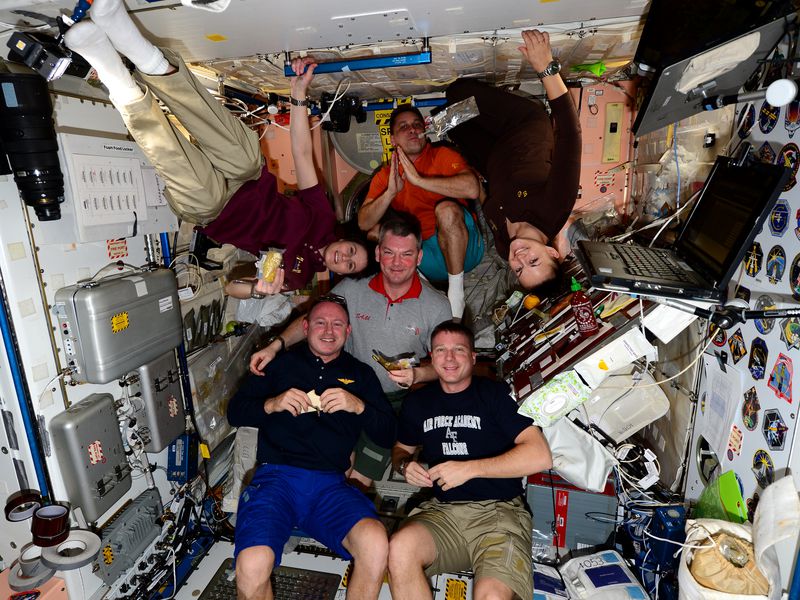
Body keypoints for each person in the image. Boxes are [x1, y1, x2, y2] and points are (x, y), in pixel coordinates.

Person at [63, 0, 368, 293]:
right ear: (349, 238)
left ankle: (110, 70)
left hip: (219, 212)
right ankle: (135, 46)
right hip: (250, 181)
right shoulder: (323, 218)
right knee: (246, 155)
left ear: (342, 274)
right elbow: (302, 154)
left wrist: (258, 288)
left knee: (182, 170)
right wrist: (299, 95)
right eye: (352, 251)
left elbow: (236, 287)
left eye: (350, 266)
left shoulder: (298, 278)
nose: (345, 258)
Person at [250, 212, 452, 486]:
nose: (396, 263)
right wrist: (275, 346)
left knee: (357, 484)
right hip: (343, 388)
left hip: (392, 404)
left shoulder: (437, 305)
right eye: (389, 253)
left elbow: (445, 366)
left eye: (406, 255)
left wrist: (417, 375)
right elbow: (315, 321)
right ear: (378, 253)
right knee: (333, 474)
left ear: (418, 257)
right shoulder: (352, 287)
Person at [227, 296, 396, 600]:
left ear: (348, 331)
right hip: (276, 480)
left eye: (337, 324)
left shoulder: (361, 375)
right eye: (320, 322)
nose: (328, 330)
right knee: (252, 565)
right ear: (305, 328)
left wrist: (359, 407)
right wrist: (271, 403)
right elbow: (235, 413)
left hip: (330, 487)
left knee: (375, 542)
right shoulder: (279, 365)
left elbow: (387, 435)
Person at [388, 320, 552, 600]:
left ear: (473, 357)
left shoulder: (495, 395)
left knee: (491, 597)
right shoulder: (418, 403)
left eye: (458, 350)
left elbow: (540, 456)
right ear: (431, 357)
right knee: (399, 547)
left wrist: (470, 469)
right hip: (443, 514)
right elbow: (400, 449)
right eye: (440, 350)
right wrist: (405, 465)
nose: (449, 358)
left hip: (499, 515)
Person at [445, 29, 582, 291]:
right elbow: (570, 133)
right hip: (523, 128)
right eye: (533, 261)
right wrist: (545, 68)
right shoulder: (555, 207)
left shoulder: (503, 247)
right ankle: (502, 99)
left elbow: (489, 202)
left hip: (494, 159)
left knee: (450, 121)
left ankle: (491, 104)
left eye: (519, 270)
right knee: (457, 92)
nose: (519, 259)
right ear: (552, 253)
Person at [357, 105, 484, 319]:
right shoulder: (386, 174)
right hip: (425, 257)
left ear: (424, 132)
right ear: (393, 139)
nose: (412, 130)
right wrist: (389, 193)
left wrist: (419, 181)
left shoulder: (442, 155)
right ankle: (423, 287)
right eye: (404, 127)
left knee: (446, 210)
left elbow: (472, 188)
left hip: (464, 248)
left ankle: (455, 295)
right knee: (375, 232)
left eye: (417, 125)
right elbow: (363, 222)